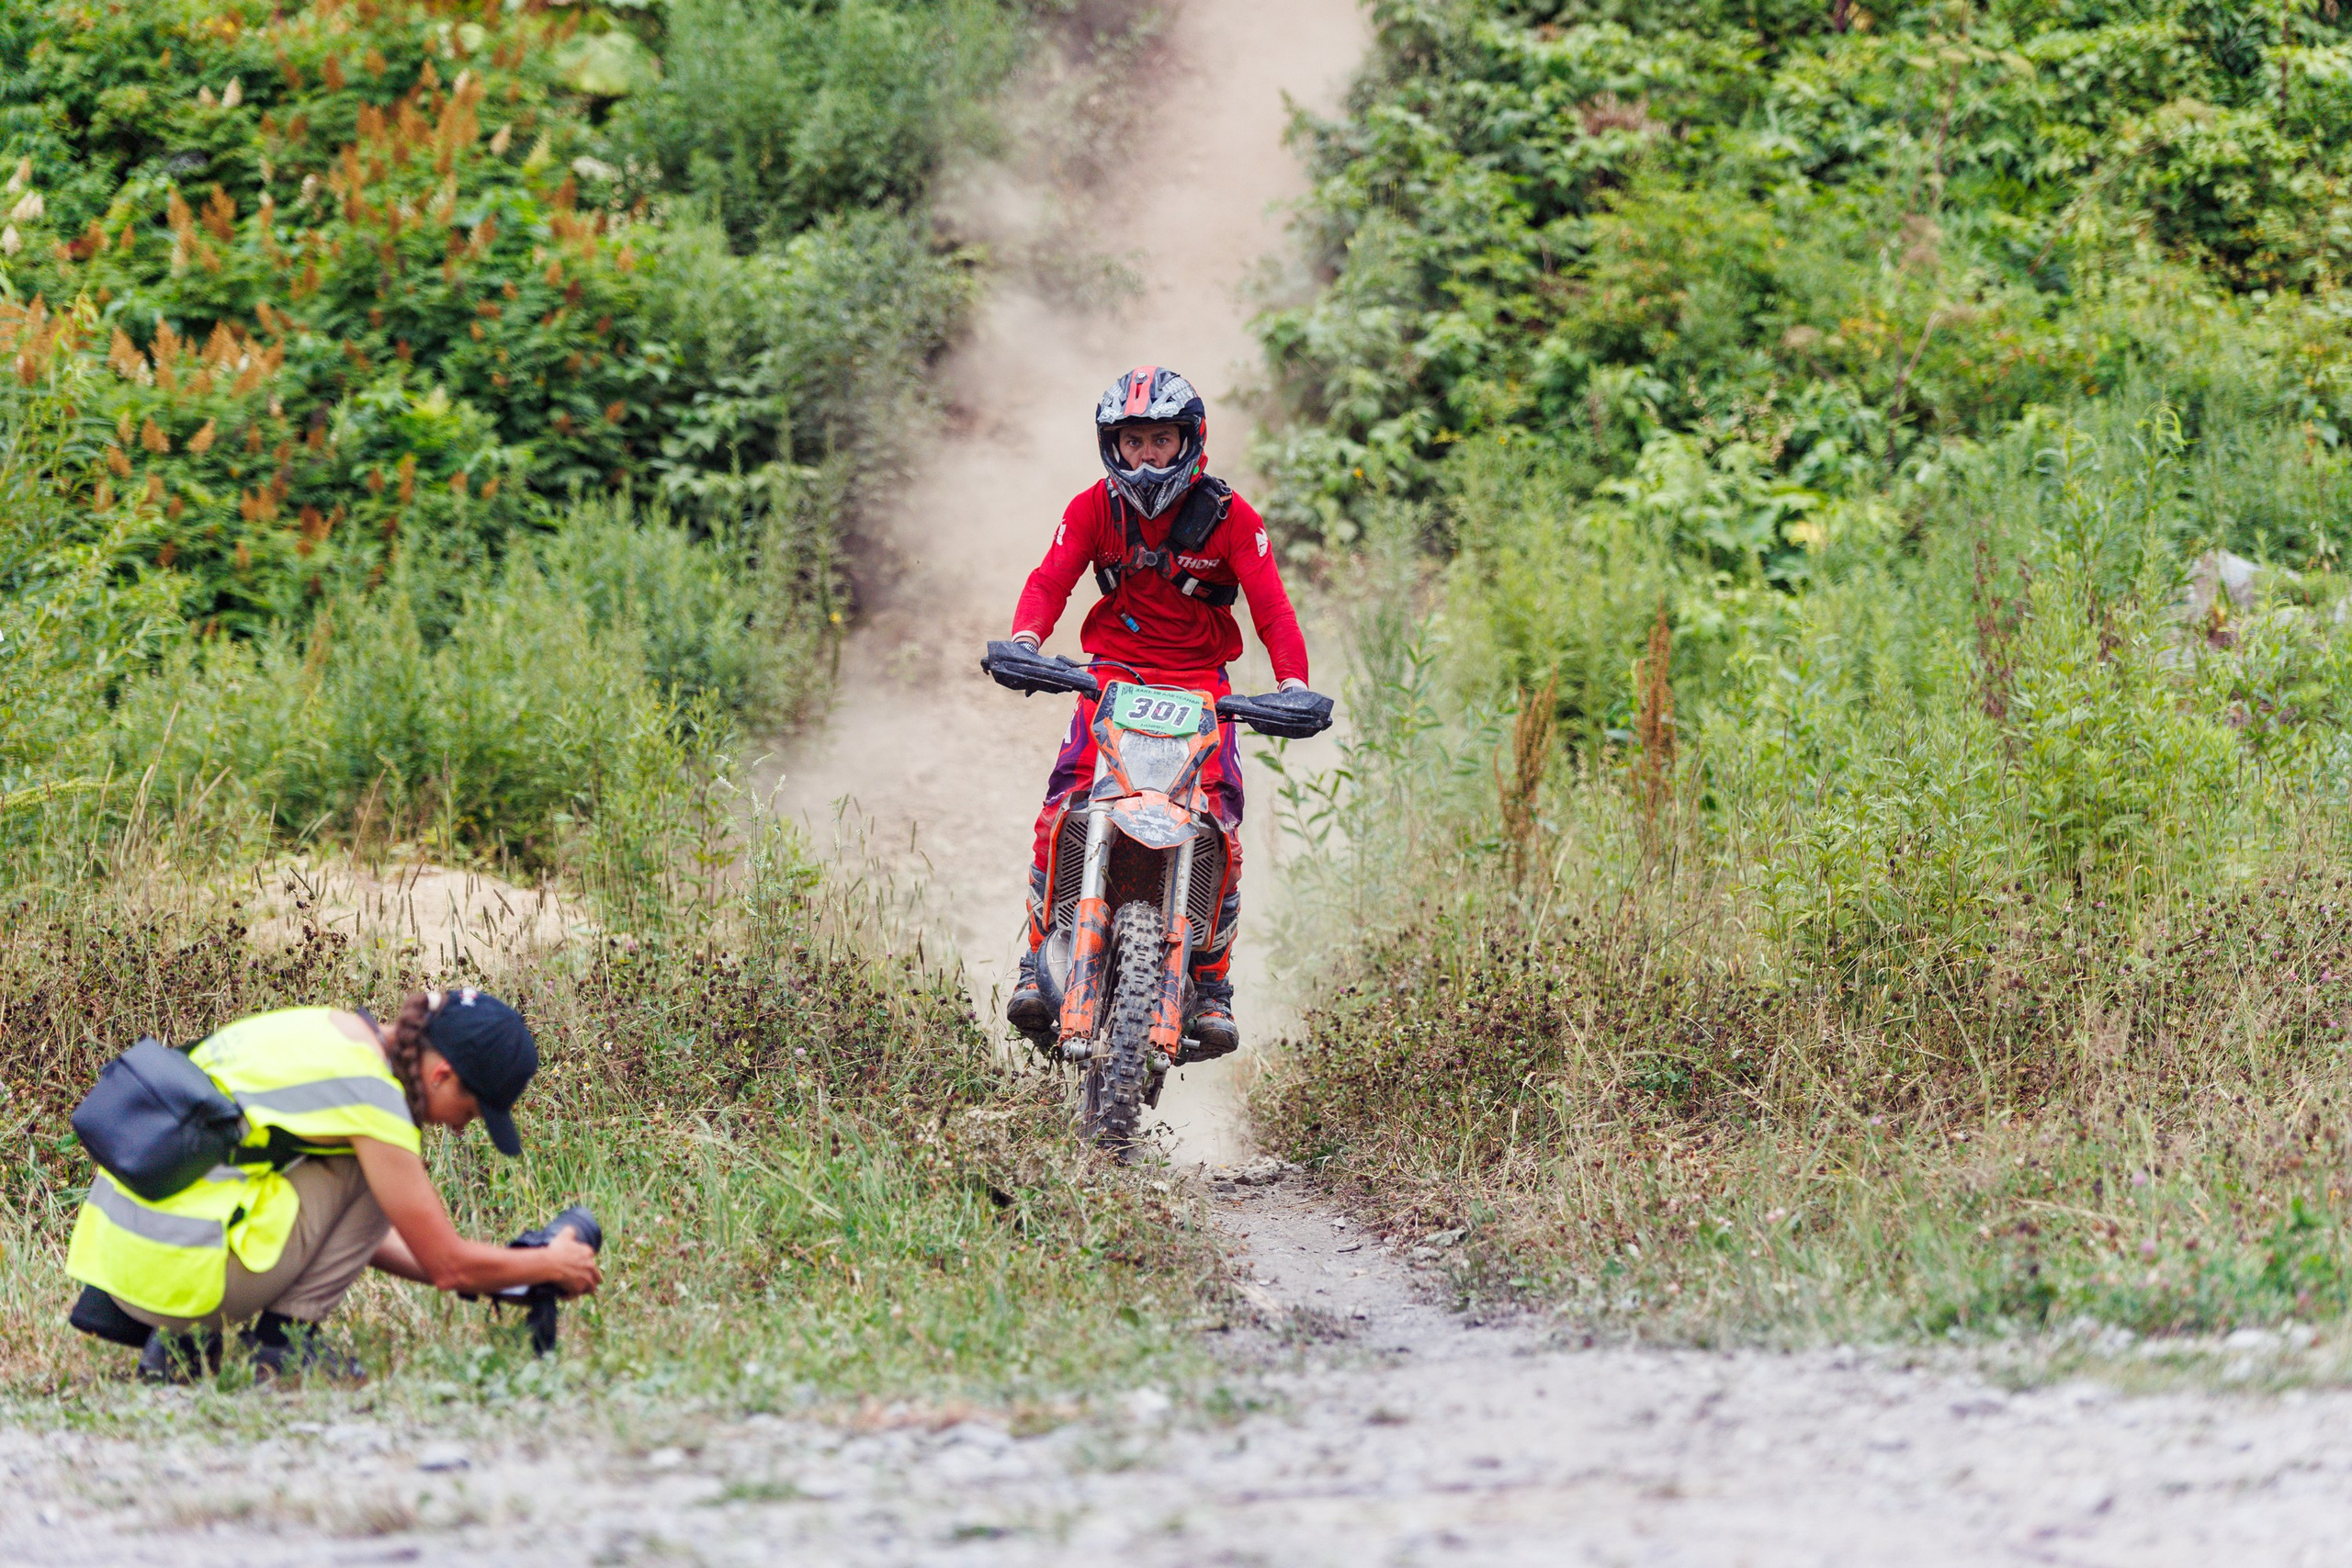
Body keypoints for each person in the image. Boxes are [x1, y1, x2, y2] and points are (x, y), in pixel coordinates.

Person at [65, 988, 601, 1384]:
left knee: (341, 1166)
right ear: (441, 1076)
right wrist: (546, 1266)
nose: (463, 1127)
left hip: (125, 1263)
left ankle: (179, 1346)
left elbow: (358, 1243)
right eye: (472, 1110)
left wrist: (502, 1275)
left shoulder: (323, 1030)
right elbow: (447, 1264)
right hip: (177, 1275)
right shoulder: (373, 1098)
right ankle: (284, 1350)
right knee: (372, 1165)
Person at [1003, 365, 1309, 1056]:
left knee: (1221, 822)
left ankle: (1213, 981)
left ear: (1189, 441)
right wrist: (1027, 640)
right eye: (1133, 439)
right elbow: (1051, 577)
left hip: (1204, 688)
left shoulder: (1232, 518)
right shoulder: (1092, 508)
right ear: (1114, 444)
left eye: (1160, 440)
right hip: (1110, 679)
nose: (1146, 454)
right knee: (1062, 806)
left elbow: (1274, 609)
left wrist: (1293, 686)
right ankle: (1034, 960)